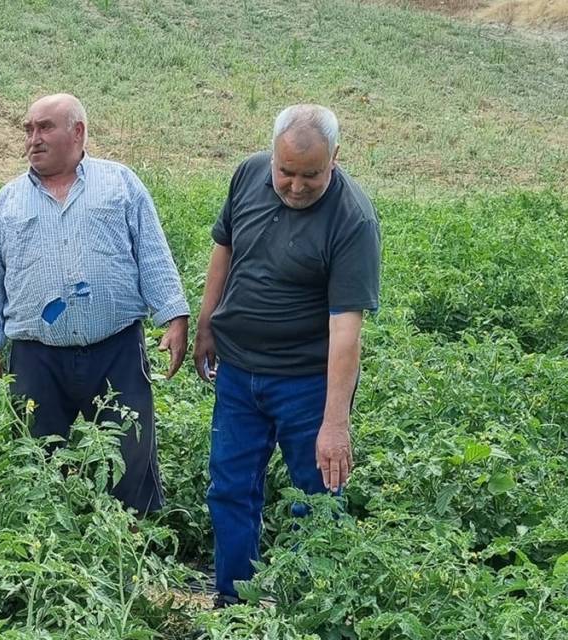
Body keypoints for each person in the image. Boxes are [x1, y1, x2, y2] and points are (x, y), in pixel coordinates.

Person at [192, 104, 381, 605]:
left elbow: (346, 331)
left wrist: (335, 424)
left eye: (311, 175)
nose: (296, 186)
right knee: (230, 489)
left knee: (316, 500)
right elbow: (224, 248)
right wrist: (207, 324)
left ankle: (308, 613)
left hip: (306, 383)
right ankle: (234, 607)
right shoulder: (249, 173)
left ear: (335, 158)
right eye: (286, 172)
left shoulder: (352, 219)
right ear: (272, 155)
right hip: (239, 375)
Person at [0, 93, 190, 515]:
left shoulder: (120, 183)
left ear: (78, 132)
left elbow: (153, 254)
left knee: (129, 451)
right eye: (28, 129)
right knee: (36, 460)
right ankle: (47, 545)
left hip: (117, 349)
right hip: (37, 357)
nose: (33, 138)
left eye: (45, 127)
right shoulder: (8, 201)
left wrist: (174, 318)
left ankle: (130, 545)